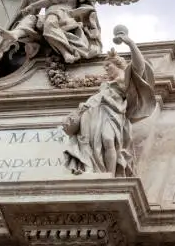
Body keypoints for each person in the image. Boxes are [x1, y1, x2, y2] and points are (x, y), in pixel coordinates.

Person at [62, 30, 156, 177]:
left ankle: (109, 176)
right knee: (89, 143)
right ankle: (92, 169)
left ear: (118, 64)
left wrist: (130, 43)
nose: (105, 69)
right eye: (104, 67)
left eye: (108, 65)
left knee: (108, 139)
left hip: (113, 113)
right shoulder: (106, 83)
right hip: (94, 111)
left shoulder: (125, 77)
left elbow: (140, 67)